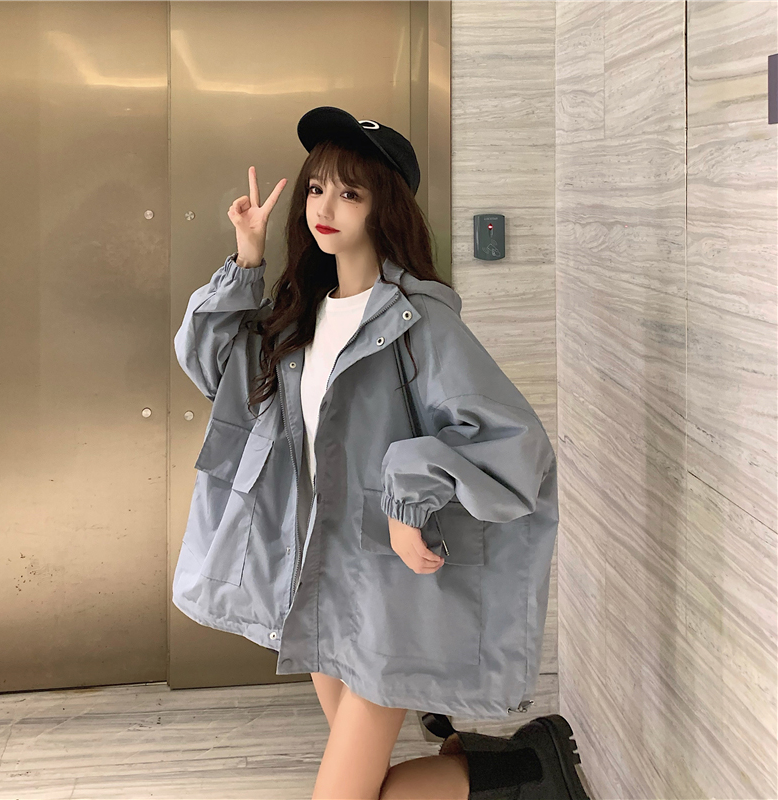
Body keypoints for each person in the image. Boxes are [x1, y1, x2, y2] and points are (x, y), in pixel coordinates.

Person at [173, 106, 589, 800]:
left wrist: (408, 499)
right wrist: (247, 259)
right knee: (366, 783)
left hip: (388, 586)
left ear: (383, 207)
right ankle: (522, 771)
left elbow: (512, 440)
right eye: (316, 188)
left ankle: (529, 770)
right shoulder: (298, 315)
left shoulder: (419, 321)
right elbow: (211, 368)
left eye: (350, 192)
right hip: (315, 572)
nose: (324, 207)